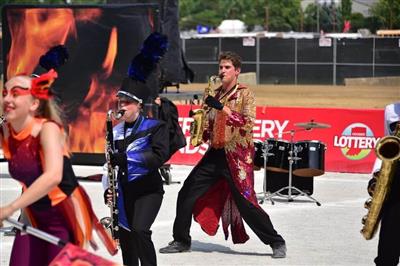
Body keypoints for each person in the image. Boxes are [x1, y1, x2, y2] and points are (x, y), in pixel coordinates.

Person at [159, 51, 287, 258]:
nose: (222, 71)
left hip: (237, 157)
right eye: (221, 67)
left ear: (237, 71)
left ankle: (276, 241)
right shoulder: (215, 94)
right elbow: (210, 126)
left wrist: (223, 109)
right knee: (186, 192)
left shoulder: (245, 94)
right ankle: (181, 240)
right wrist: (200, 126)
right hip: (216, 153)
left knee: (247, 204)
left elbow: (248, 124)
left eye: (227, 67)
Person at [0, 70, 116, 265]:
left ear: (34, 103)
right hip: (32, 215)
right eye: (6, 93)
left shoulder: (48, 129)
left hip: (61, 217)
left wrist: (10, 208)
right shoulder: (11, 130)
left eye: (17, 94)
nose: (8, 99)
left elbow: (53, 176)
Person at [102, 77, 170, 266]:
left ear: (139, 105)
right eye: (120, 102)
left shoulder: (155, 127)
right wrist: (107, 190)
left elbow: (159, 156)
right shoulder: (114, 132)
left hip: (149, 190)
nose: (122, 106)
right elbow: (107, 166)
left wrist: (127, 158)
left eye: (127, 102)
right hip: (124, 191)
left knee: (140, 231)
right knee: (126, 239)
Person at [368, 102, 400, 266]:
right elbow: (387, 144)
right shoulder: (391, 110)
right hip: (396, 179)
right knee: (389, 236)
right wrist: (377, 175)